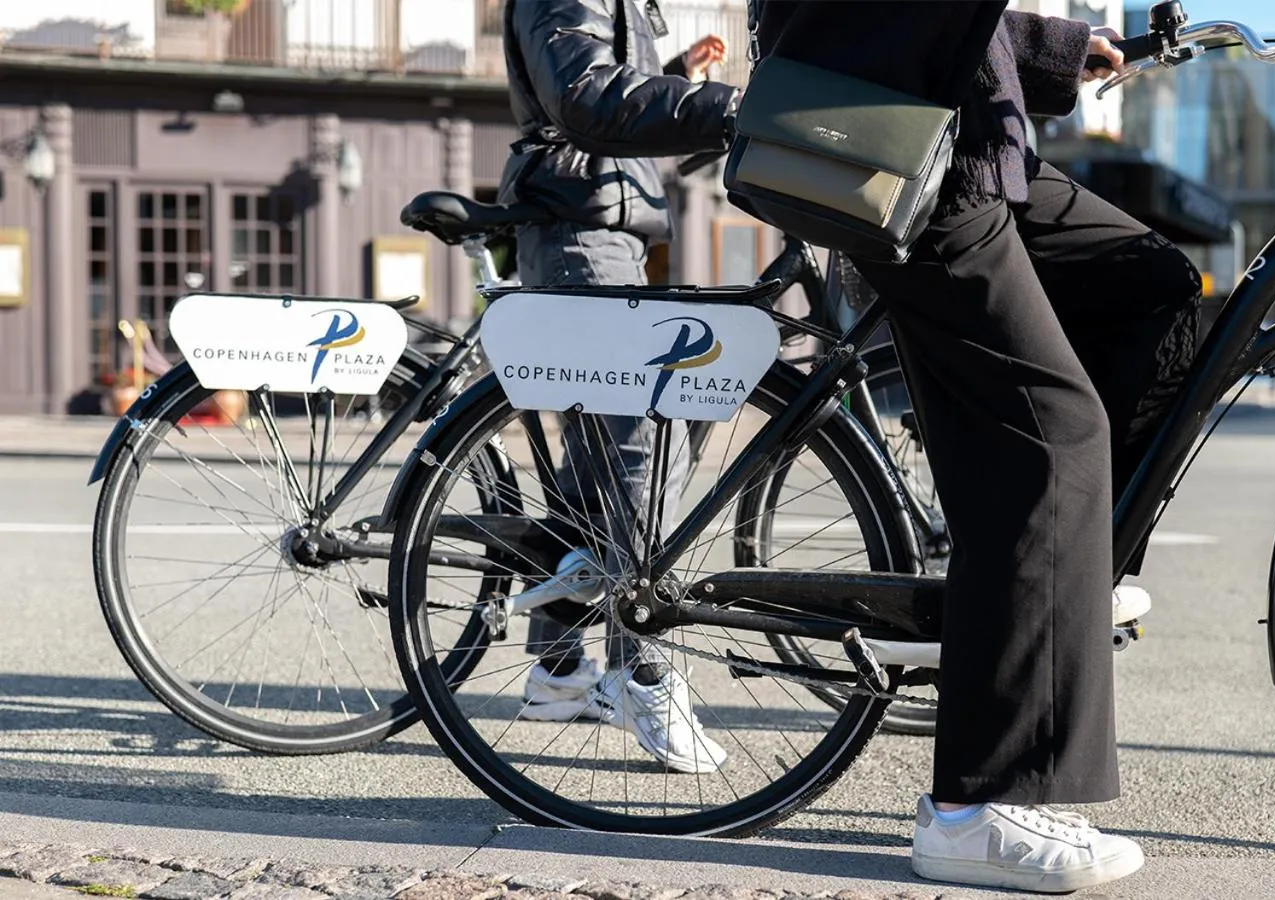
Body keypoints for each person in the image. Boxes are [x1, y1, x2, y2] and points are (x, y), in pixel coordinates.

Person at [752, 1, 1200, 893]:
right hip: (911, 158)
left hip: (975, 147)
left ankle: (1060, 579)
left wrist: (1061, 50)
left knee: (1154, 286)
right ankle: (978, 809)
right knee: (1055, 441)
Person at [497, 0, 741, 774]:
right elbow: (586, 98)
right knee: (643, 450)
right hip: (578, 224)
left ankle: (561, 670)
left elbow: (604, 95)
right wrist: (732, 107)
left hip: (603, 218)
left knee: (599, 466)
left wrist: (673, 82)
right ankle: (645, 674)